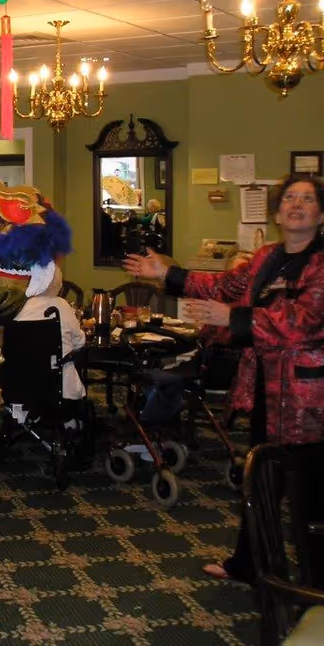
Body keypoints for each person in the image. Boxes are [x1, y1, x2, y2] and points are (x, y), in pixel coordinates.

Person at [123, 173, 324, 585]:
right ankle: (249, 565)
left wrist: (234, 317)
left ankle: (316, 587)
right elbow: (225, 284)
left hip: (310, 398)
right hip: (267, 389)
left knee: (312, 498)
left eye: (307, 199)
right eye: (289, 197)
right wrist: (167, 273)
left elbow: (303, 322)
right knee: (262, 483)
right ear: (277, 212)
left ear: (321, 214)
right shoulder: (267, 257)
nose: (296, 205)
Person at [14, 264, 86, 401]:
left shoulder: (19, 307)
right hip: (60, 386)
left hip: (24, 384)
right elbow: (79, 341)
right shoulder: (62, 306)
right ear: (59, 286)